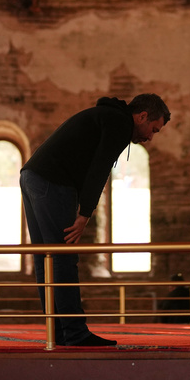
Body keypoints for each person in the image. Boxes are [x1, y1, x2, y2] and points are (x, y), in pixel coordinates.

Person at [19, 93, 170, 347]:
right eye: (153, 129)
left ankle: (58, 332)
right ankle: (74, 334)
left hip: (33, 176)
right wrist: (85, 214)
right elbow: (100, 169)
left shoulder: (107, 116)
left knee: (46, 259)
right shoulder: (119, 123)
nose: (150, 137)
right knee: (62, 258)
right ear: (142, 116)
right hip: (53, 182)